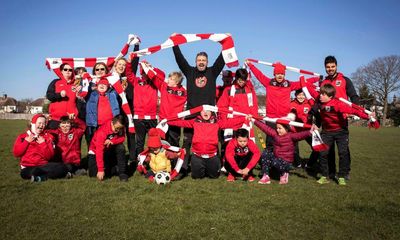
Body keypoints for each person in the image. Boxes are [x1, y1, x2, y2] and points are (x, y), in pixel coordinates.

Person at [172, 36, 226, 178]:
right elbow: (179, 59)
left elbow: (222, 59)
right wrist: (175, 43)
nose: (201, 63)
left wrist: (227, 43)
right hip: (192, 115)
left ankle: (217, 167)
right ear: (195, 62)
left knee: (213, 141)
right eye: (199, 60)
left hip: (209, 115)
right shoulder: (190, 72)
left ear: (207, 62)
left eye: (203, 61)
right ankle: (182, 169)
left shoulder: (212, 72)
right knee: (187, 143)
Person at [314, 84, 373, 185]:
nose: (320, 96)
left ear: (330, 96)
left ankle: (341, 176)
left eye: (323, 95)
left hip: (341, 132)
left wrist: (368, 116)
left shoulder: (338, 104)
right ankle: (325, 176)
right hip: (327, 132)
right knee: (322, 153)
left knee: (343, 153)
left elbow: (353, 110)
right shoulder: (319, 103)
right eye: (320, 94)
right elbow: (309, 91)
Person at [167, 110, 250, 179]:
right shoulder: (194, 122)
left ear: (212, 112)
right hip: (197, 156)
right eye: (203, 111)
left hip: (212, 156)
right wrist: (167, 121)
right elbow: (180, 123)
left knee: (214, 176)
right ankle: (200, 167)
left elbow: (230, 122)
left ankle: (210, 168)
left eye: (208, 111)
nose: (205, 113)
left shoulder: (217, 122)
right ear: (200, 112)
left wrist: (244, 118)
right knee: (196, 177)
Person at [246, 60, 301, 153]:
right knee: (271, 141)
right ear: (274, 74)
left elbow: (302, 83)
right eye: (278, 74)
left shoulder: (289, 85)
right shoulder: (268, 83)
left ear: (284, 75)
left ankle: (284, 160)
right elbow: (259, 75)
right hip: (271, 118)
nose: (280, 76)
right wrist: (250, 65)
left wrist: (316, 79)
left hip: (284, 118)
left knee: (285, 140)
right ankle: (268, 161)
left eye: (282, 74)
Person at [321, 56, 360, 180]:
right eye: (328, 67)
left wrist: (353, 110)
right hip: (327, 121)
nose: (330, 69)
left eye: (332, 66)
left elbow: (354, 96)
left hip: (341, 121)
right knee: (328, 150)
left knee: (343, 151)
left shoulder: (345, 80)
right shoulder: (323, 82)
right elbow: (319, 100)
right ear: (325, 68)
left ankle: (345, 172)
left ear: (336, 66)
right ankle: (331, 172)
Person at [255, 120, 316, 185]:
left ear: (286, 129)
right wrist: (254, 120)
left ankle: (284, 173)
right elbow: (265, 128)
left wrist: (310, 132)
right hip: (277, 158)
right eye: (277, 128)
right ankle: (265, 175)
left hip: (286, 162)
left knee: (274, 162)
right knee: (266, 153)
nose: (278, 130)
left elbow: (300, 135)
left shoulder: (291, 136)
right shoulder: (275, 134)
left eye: (280, 128)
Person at [217, 68, 258, 165]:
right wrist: (224, 121)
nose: (242, 83)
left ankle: (246, 165)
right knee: (229, 145)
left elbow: (254, 105)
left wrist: (253, 116)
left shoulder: (250, 90)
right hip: (232, 123)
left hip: (245, 122)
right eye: (240, 80)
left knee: (246, 145)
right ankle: (228, 165)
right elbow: (221, 107)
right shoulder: (228, 90)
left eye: (244, 80)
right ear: (236, 78)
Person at [13, 114, 70, 182]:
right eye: (39, 123)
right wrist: (26, 141)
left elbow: (49, 157)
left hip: (43, 166)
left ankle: (41, 177)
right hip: (28, 167)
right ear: (33, 124)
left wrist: (43, 143)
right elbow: (17, 153)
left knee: (62, 167)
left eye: (43, 123)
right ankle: (51, 175)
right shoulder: (22, 137)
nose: (41, 125)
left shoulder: (48, 137)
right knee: (26, 173)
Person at [125, 59, 161, 159]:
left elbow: (161, 75)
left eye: (146, 71)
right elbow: (128, 73)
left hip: (152, 117)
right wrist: (129, 62)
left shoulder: (155, 81)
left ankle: (154, 161)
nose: (145, 74)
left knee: (153, 142)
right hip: (139, 117)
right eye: (143, 71)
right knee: (139, 142)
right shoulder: (137, 81)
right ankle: (140, 162)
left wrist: (151, 67)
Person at [149, 69, 186, 146]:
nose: (168, 80)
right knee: (163, 142)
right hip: (163, 121)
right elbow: (154, 77)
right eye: (169, 77)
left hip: (175, 121)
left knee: (175, 142)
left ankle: (175, 158)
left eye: (171, 79)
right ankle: (164, 157)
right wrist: (149, 68)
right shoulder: (164, 86)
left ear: (177, 82)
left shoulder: (184, 90)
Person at [87, 114, 128, 181]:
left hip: (109, 150)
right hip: (95, 152)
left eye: (120, 128)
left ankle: (122, 172)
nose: (118, 131)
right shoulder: (102, 132)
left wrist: (112, 141)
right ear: (112, 123)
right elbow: (99, 151)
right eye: (116, 128)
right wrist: (100, 169)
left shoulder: (121, 127)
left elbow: (122, 138)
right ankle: (114, 168)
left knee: (121, 147)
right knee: (93, 174)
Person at [85, 77, 120, 144]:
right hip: (95, 125)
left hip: (109, 125)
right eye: (100, 84)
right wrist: (86, 76)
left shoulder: (112, 94)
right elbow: (85, 87)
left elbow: (118, 85)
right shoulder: (91, 94)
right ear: (96, 86)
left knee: (108, 145)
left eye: (104, 84)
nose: (102, 85)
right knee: (95, 144)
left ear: (108, 87)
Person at [46, 63, 81, 129]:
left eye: (70, 70)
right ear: (62, 71)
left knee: (72, 139)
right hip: (55, 119)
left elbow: (80, 101)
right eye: (65, 69)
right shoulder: (55, 82)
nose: (68, 71)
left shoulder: (77, 84)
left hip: (70, 119)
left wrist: (80, 95)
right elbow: (49, 96)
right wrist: (59, 95)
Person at [290, 89, 318, 168]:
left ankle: (310, 164)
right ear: (295, 95)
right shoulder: (291, 104)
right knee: (293, 149)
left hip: (308, 130)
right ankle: (298, 163)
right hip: (295, 131)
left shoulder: (310, 103)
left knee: (317, 147)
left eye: (302, 95)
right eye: (299, 95)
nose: (301, 97)